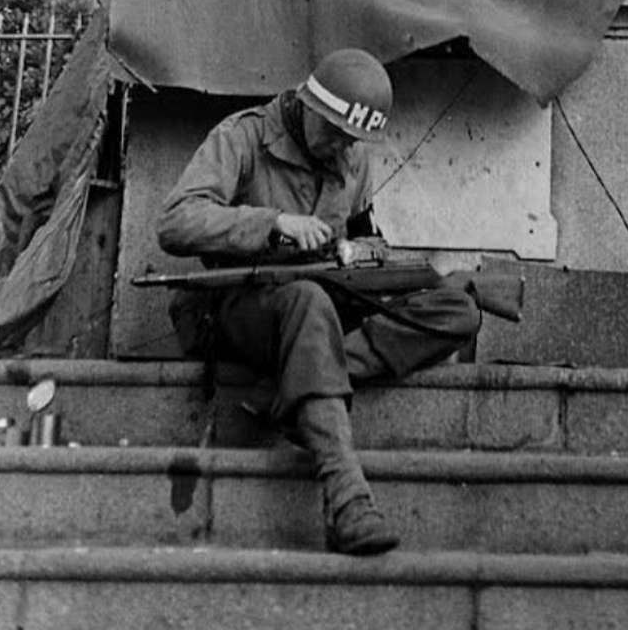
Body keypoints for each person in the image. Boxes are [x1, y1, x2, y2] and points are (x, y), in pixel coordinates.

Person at [154, 47, 487, 555]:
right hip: (240, 305)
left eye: (351, 139)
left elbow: (362, 236)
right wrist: (271, 224)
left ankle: (294, 386)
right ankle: (349, 500)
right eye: (333, 131)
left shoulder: (352, 158)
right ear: (308, 103)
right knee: (307, 300)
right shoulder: (243, 136)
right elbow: (175, 223)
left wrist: (380, 258)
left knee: (457, 309)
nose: (341, 148)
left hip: (322, 306)